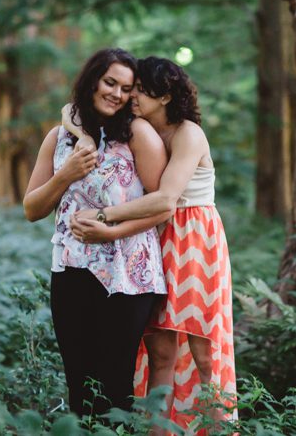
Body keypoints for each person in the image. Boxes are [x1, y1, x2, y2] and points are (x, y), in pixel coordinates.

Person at [66, 56, 236, 432]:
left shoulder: (187, 132)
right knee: (160, 350)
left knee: (204, 352)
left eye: (142, 89)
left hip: (194, 241)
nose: (133, 96)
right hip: (155, 239)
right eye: (132, 88)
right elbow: (70, 109)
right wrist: (85, 136)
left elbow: (165, 199)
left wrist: (106, 216)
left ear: (167, 95)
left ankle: (218, 428)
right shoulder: (139, 129)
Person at [23, 48, 170, 417]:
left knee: (115, 382)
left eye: (126, 87)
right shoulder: (59, 137)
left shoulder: (138, 134)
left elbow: (162, 206)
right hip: (71, 271)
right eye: (110, 83)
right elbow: (32, 209)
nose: (117, 94)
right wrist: (66, 174)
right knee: (79, 381)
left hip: (127, 276)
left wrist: (111, 232)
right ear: (92, 81)